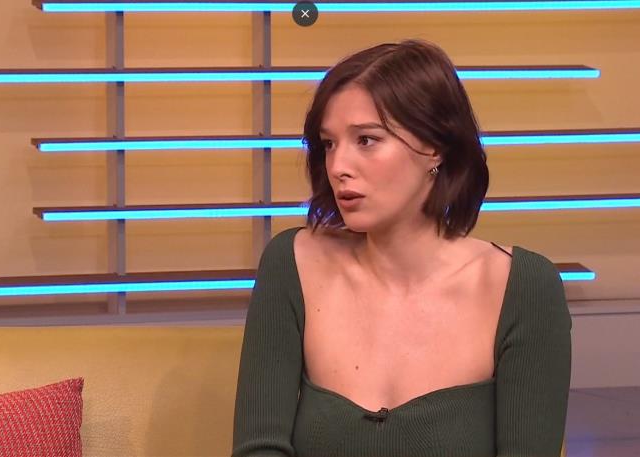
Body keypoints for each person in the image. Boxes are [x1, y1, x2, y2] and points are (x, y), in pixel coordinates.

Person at [231, 38, 572, 457]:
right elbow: (259, 447)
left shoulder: (523, 288)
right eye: (329, 144)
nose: (338, 167)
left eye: (366, 140)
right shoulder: (292, 263)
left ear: (434, 148)